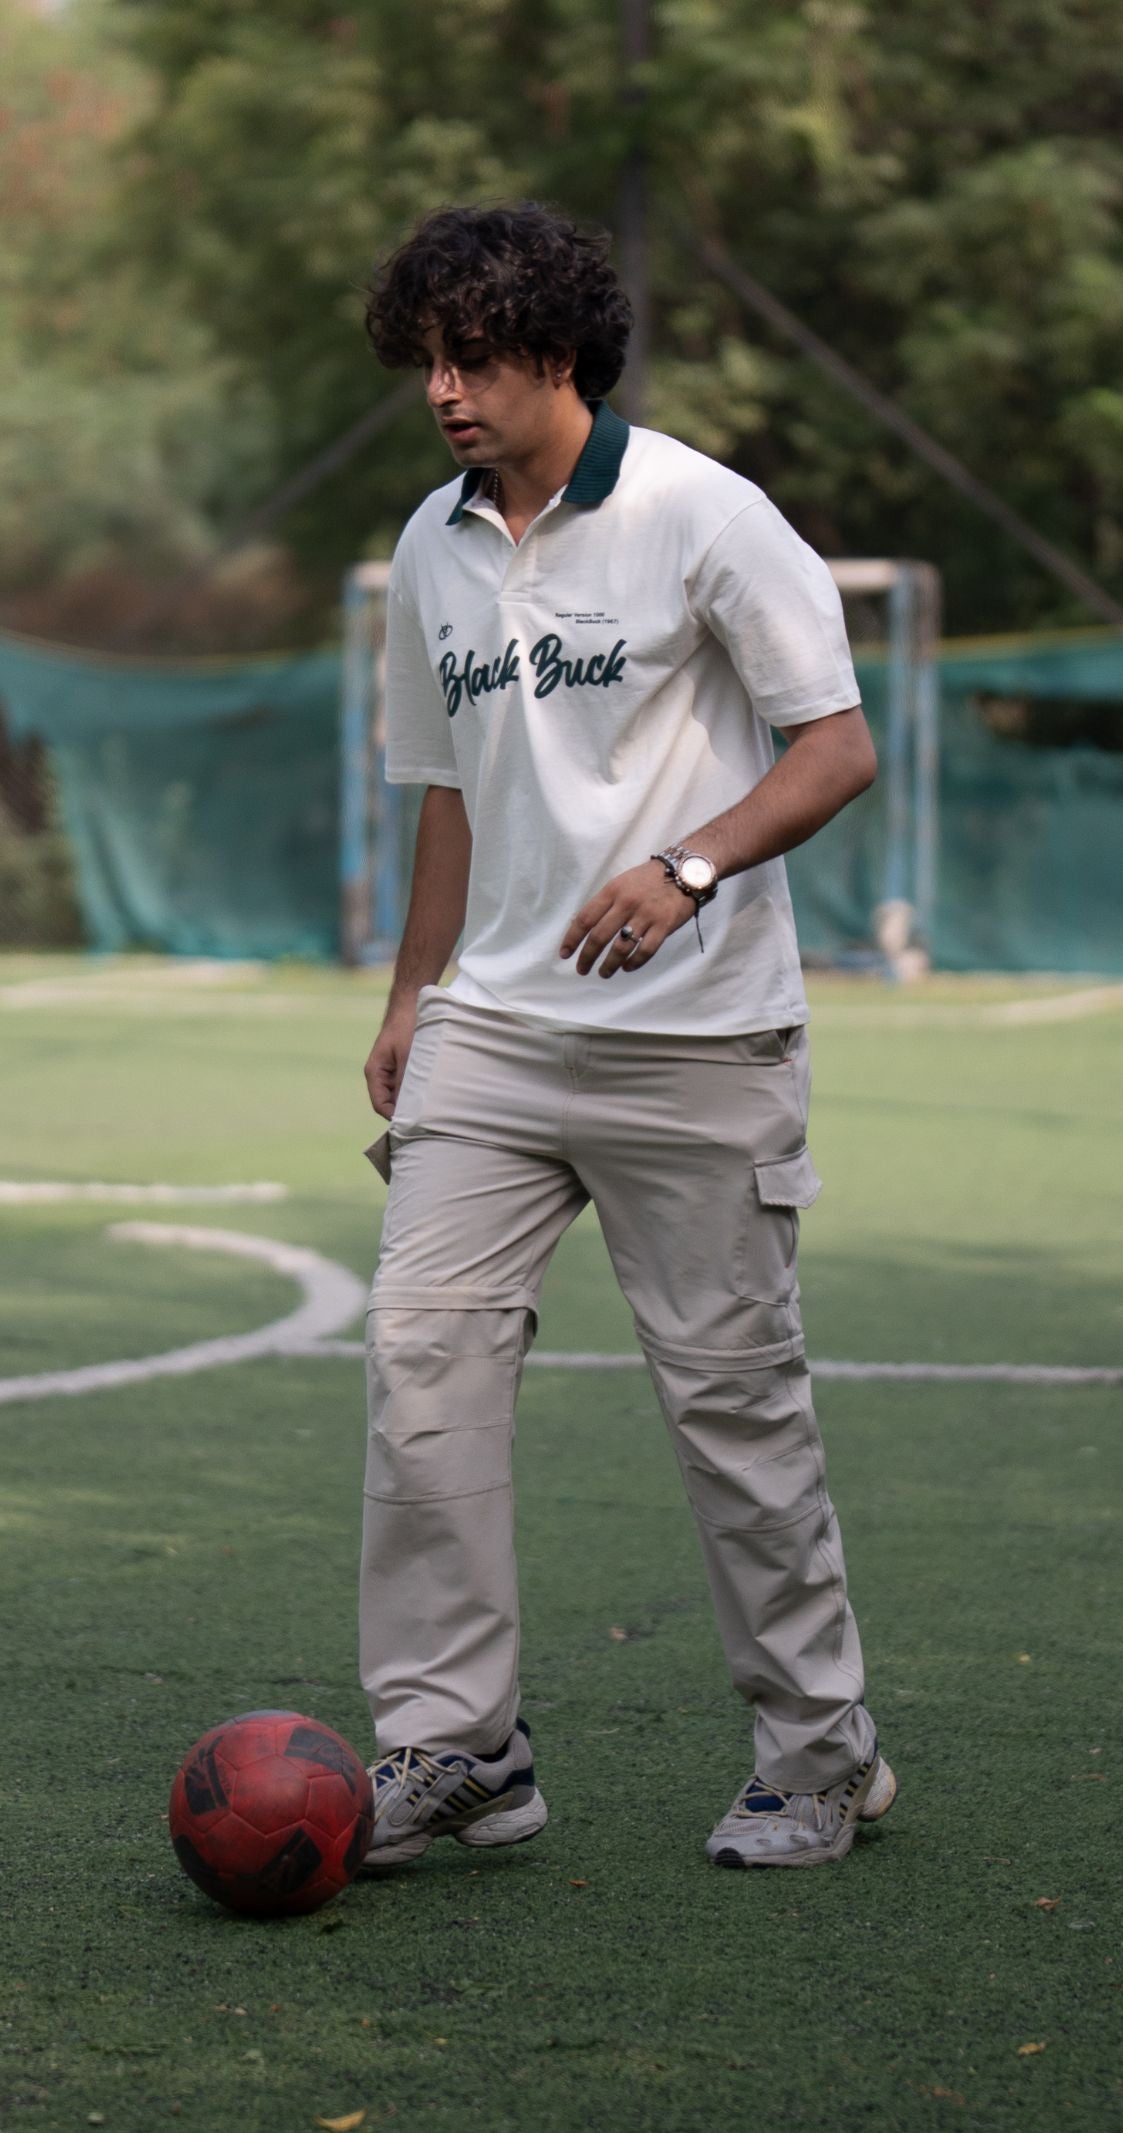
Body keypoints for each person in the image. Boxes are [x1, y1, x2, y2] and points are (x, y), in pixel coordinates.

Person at [356, 201, 891, 1870]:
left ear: (559, 351)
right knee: (421, 1368)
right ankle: (459, 1748)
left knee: (736, 1410)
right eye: (426, 360)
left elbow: (837, 747)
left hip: (699, 1039)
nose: (442, 390)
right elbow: (446, 790)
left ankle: (818, 1755)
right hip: (494, 1035)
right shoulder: (432, 545)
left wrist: (689, 865)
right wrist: (412, 992)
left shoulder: (701, 511)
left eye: (471, 357)